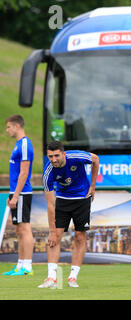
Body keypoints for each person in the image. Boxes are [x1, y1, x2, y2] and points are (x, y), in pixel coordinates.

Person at [38, 141, 99, 288]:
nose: (53, 160)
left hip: (82, 199)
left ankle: (73, 277)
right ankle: (51, 278)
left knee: (79, 236)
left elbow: (95, 159)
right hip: (62, 200)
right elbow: (50, 204)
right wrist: (52, 231)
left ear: (63, 154)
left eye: (56, 156)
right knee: (55, 237)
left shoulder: (76, 156)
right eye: (50, 156)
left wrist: (92, 185)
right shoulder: (47, 172)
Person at [3, 115, 35, 276]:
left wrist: (15, 196)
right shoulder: (18, 145)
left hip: (22, 192)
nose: (7, 130)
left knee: (25, 228)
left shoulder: (24, 145)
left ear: (16, 126)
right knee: (18, 230)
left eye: (8, 127)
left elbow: (24, 173)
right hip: (16, 192)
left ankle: (28, 267)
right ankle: (20, 265)